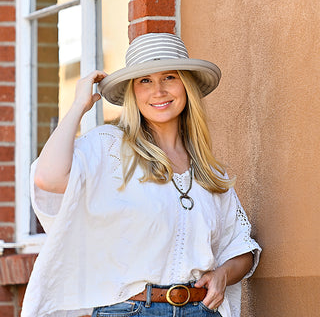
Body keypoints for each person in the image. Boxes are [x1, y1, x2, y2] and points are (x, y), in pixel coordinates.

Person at [21, 33, 261, 317]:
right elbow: (48, 179)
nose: (158, 91)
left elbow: (241, 246)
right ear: (133, 93)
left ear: (186, 86)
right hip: (128, 310)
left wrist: (223, 274)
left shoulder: (209, 171)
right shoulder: (109, 147)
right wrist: (78, 107)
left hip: (200, 310)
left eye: (169, 77)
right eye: (145, 80)